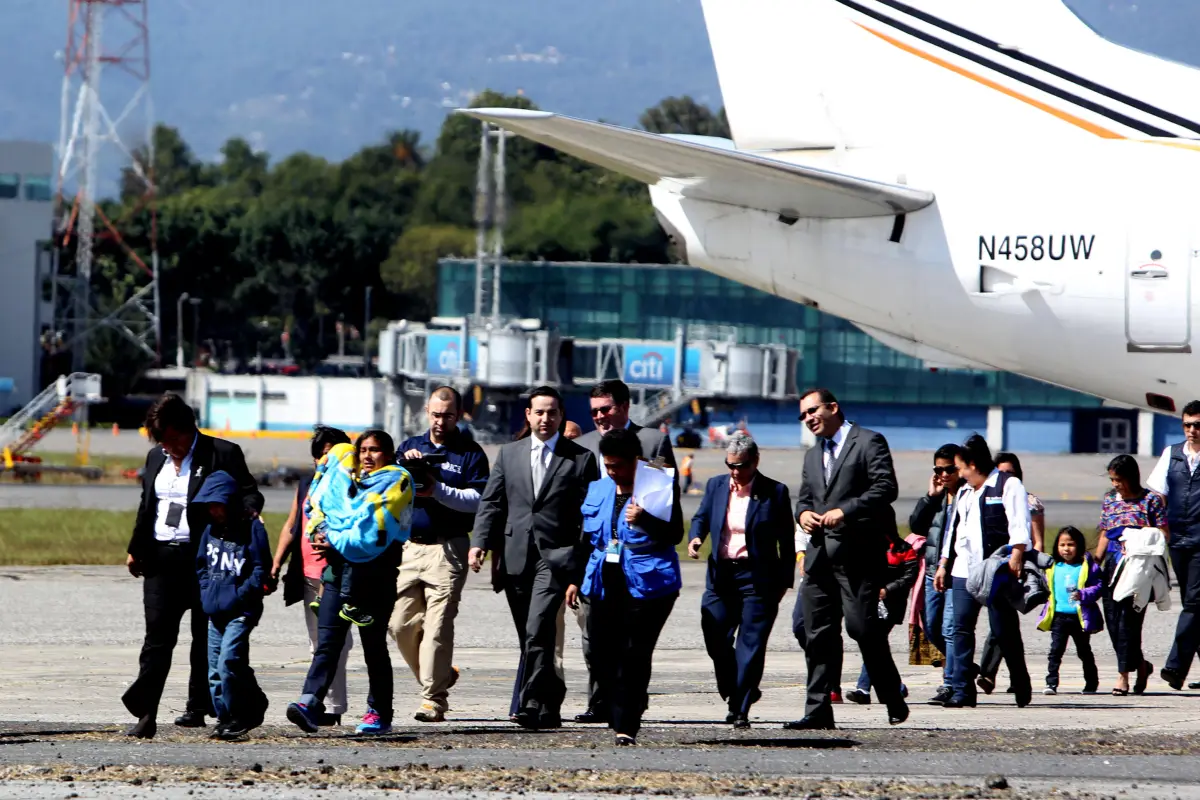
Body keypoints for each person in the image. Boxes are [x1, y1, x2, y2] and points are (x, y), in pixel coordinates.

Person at [122, 393, 264, 739]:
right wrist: (135, 549)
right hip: (160, 559)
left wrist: (247, 511)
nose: (168, 447)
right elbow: (147, 506)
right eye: (162, 442)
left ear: (188, 429)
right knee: (157, 639)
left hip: (205, 561)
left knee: (206, 638)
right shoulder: (155, 457)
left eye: (173, 440)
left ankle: (206, 706)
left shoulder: (222, 453)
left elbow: (249, 492)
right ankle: (146, 713)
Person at [470, 386, 600, 729]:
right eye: (539, 412)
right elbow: (492, 502)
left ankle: (528, 702)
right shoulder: (509, 454)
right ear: (528, 415)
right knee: (531, 637)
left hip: (556, 558)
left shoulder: (580, 459)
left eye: (552, 413)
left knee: (537, 627)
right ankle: (550, 702)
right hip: (516, 555)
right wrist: (479, 542)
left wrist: (581, 559)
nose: (545, 419)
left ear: (562, 417)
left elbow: (592, 514)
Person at [787, 388, 907, 730]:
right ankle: (818, 709)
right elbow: (805, 499)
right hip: (819, 556)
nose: (808, 419)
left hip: (857, 555)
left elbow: (886, 489)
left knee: (861, 627)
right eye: (803, 415)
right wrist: (803, 515)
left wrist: (847, 512)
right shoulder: (812, 455)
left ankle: (890, 691)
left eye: (812, 411)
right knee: (816, 632)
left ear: (833, 408)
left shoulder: (868, 442)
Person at [287, 430, 413, 735]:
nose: (368, 456)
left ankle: (379, 713)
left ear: (390, 455)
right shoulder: (347, 485)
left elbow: (369, 533)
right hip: (337, 577)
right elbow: (321, 511)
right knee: (327, 644)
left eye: (376, 450)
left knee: (373, 649)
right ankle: (308, 702)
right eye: (363, 451)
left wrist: (336, 542)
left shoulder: (397, 484)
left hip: (375, 581)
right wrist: (322, 533)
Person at [567, 428, 682, 745]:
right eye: (609, 465)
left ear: (636, 461)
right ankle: (626, 702)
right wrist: (575, 579)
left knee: (634, 651)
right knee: (601, 651)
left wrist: (645, 518)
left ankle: (626, 724)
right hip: (605, 578)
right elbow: (585, 539)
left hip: (650, 582)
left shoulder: (658, 484)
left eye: (619, 465)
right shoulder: (599, 488)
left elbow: (674, 534)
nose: (613, 471)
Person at [390, 386, 490, 723]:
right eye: (434, 414)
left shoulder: (471, 453)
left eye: (447, 415)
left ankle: (433, 698)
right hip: (409, 548)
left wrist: (438, 489)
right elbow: (389, 490)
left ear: (459, 415)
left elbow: (480, 500)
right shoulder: (409, 447)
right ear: (426, 411)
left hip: (449, 547)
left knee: (437, 626)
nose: (439, 421)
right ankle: (441, 675)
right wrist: (406, 469)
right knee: (399, 624)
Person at [688, 432, 793, 728]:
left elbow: (786, 541)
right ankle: (734, 686)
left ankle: (741, 708)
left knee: (751, 645)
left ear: (755, 461)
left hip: (757, 578)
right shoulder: (716, 486)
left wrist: (784, 583)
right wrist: (696, 537)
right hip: (721, 575)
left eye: (741, 465)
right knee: (715, 635)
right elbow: (701, 516)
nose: (735, 471)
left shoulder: (775, 492)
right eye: (730, 465)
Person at [934, 434, 1032, 709]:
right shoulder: (965, 492)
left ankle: (1020, 682)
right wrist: (944, 564)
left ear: (973, 464)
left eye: (961, 467)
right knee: (961, 629)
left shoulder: (1007, 484)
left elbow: (1019, 522)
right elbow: (954, 532)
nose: (959, 473)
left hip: (995, 570)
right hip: (964, 571)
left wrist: (1016, 555)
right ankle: (963, 691)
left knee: (1004, 630)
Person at [270, 425, 353, 726]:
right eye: (320, 455)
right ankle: (324, 705)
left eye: (332, 454)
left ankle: (330, 705)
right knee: (317, 642)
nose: (325, 460)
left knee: (335, 642)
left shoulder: (351, 486)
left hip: (338, 572)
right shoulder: (306, 485)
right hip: (308, 574)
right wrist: (276, 562)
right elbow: (292, 526)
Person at [194, 471, 272, 739]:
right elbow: (202, 565)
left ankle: (242, 714)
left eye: (218, 504)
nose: (214, 511)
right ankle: (225, 717)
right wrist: (207, 593)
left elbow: (262, 569)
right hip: (215, 610)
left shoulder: (253, 528)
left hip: (241, 610)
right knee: (215, 669)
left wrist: (240, 596)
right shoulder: (209, 531)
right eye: (210, 506)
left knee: (229, 661)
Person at [974, 452, 1048, 696]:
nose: (1005, 477)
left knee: (1002, 623)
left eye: (1011, 472)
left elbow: (1037, 541)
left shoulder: (1028, 501)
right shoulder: (983, 495)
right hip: (991, 567)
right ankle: (1001, 676)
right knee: (1003, 624)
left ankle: (994, 674)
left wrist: (1028, 569)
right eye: (1001, 471)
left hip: (1016, 567)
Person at [1098, 454, 1167, 694]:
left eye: (1119, 479)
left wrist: (1137, 539)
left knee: (1129, 622)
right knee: (1113, 623)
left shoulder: (1151, 501)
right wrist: (1096, 561)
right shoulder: (1109, 499)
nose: (1115, 484)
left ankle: (1122, 676)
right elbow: (1106, 532)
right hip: (1112, 566)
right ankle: (1140, 664)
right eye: (1112, 479)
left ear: (1131, 477)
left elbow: (1162, 534)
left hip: (1139, 570)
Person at [1148, 400, 1200, 691]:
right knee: (1196, 606)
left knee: (1193, 603)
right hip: (1177, 539)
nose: (1191, 430)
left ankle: (1175, 668)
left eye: (1197, 425)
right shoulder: (1172, 454)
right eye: (1187, 425)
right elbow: (1158, 494)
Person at [908, 443, 963, 705]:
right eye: (938, 470)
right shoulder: (938, 497)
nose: (943, 474)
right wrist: (930, 497)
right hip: (932, 572)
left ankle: (950, 683)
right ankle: (962, 668)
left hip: (956, 574)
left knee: (951, 628)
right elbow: (917, 526)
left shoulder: (967, 496)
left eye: (948, 469)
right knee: (931, 628)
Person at [845, 532, 919, 704]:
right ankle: (897, 686)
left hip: (892, 605)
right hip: (869, 602)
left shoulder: (904, 549)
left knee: (874, 642)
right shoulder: (865, 545)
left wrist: (888, 590)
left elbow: (910, 577)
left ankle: (863, 689)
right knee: (876, 645)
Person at [1037, 526, 1101, 695]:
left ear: (1079, 546)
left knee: (1084, 651)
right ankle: (1051, 683)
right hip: (1059, 616)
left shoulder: (1087, 566)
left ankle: (1091, 683)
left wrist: (1083, 594)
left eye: (1070, 544)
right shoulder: (1052, 566)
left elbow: (1099, 587)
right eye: (1062, 545)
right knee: (1055, 651)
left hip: (1079, 617)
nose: (1066, 549)